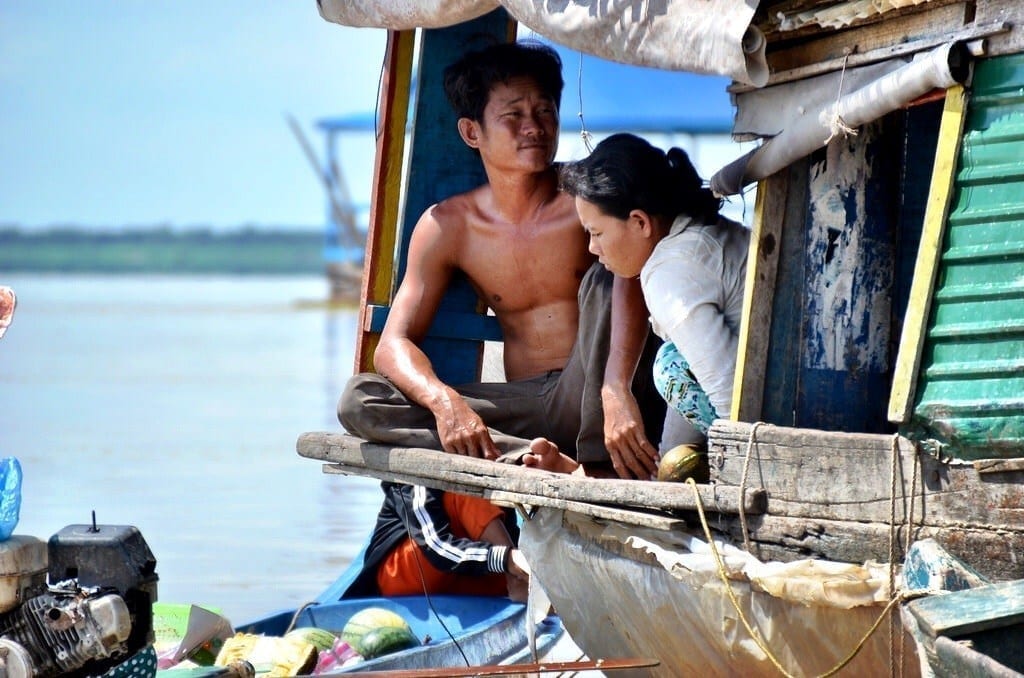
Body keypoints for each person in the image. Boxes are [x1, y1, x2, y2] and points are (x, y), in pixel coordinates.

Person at [339, 42, 665, 479]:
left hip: (606, 395)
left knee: (609, 277)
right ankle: (534, 459)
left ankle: (593, 466)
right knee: (361, 401)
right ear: (472, 132)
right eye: (514, 115)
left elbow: (635, 273)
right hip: (526, 403)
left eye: (545, 111)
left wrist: (615, 389)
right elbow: (392, 345)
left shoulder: (588, 199)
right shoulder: (448, 226)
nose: (534, 127)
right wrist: (447, 404)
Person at [556, 132, 749, 448]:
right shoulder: (697, 231)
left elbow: (732, 397)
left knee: (669, 367)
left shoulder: (669, 273)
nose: (592, 248)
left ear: (640, 222)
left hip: (771, 418)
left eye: (597, 233)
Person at [342, 483, 530, 602]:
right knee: (468, 489)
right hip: (409, 574)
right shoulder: (413, 471)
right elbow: (435, 545)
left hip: (467, 571)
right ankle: (516, 580)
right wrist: (507, 560)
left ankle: (519, 579)